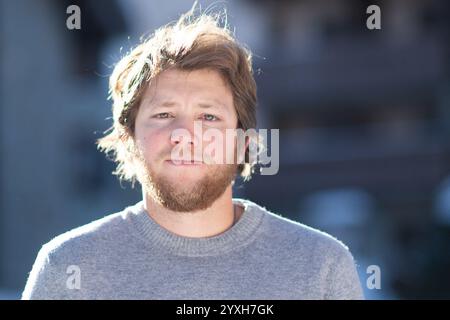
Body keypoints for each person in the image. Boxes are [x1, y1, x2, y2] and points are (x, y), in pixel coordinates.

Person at [22, 5, 363, 300]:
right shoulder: (66, 267)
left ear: (243, 140)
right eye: (164, 115)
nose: (184, 135)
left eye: (208, 116)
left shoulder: (321, 267)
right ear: (128, 138)